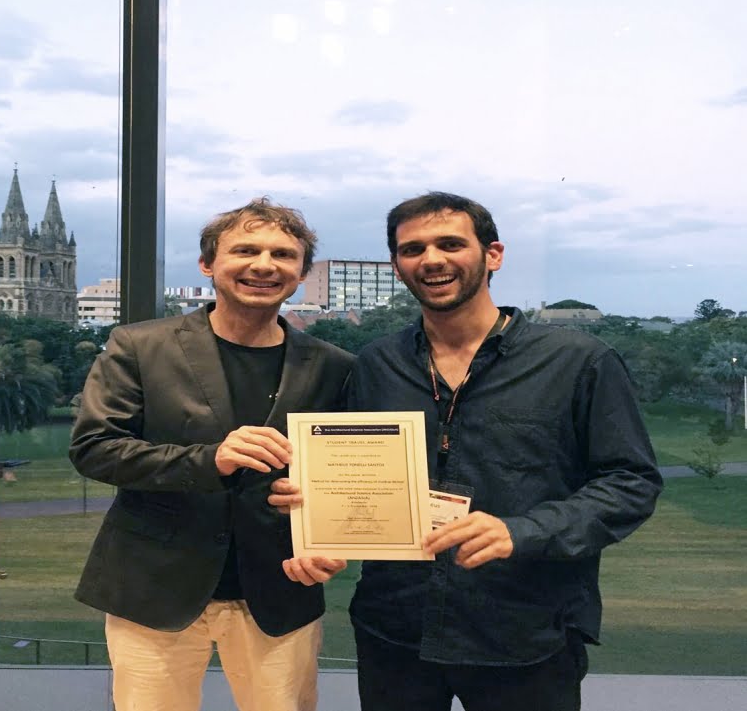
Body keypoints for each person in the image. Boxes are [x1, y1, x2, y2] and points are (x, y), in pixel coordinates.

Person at [272, 192, 663, 711]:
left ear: (493, 254)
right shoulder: (375, 365)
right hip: (395, 630)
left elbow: (630, 482)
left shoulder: (578, 362)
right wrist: (312, 510)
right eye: (412, 249)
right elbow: (347, 475)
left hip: (524, 632)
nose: (431, 259)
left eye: (450, 243)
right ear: (397, 265)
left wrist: (520, 531)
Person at [70, 198, 353, 711]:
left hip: (281, 587)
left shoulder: (335, 367)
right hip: (153, 587)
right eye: (245, 250)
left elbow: (345, 473)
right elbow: (95, 449)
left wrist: (336, 532)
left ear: (300, 273)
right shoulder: (139, 346)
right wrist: (209, 460)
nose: (264, 265)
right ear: (208, 264)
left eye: (283, 255)